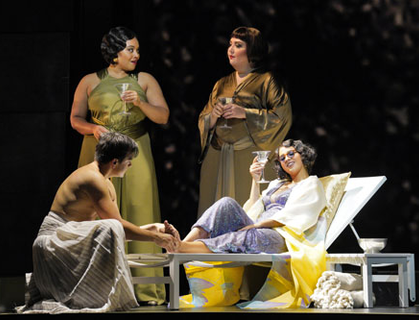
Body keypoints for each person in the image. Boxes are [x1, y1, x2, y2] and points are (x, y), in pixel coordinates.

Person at [17, 132, 179, 314]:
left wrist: (153, 228)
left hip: (71, 240)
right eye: (129, 159)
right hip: (54, 242)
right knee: (111, 226)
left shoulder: (106, 182)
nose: (131, 164)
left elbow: (116, 231)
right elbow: (116, 226)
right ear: (115, 162)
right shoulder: (93, 179)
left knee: (111, 227)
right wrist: (155, 238)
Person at [70, 26, 169, 305]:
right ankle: (96, 286)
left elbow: (162, 116)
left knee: (140, 210)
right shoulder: (89, 81)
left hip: (136, 149)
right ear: (114, 54)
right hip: (99, 150)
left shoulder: (144, 79)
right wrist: (92, 129)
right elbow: (75, 118)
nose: (136, 54)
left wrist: (139, 102)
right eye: (130, 49)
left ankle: (146, 289)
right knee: (96, 214)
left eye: (137, 49)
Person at [165, 139, 328, 308]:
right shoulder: (276, 184)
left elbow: (296, 216)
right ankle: (183, 242)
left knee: (246, 235)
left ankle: (182, 249)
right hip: (260, 226)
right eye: (282, 157)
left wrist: (258, 225)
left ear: (304, 155)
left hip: (281, 235)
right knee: (225, 203)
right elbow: (253, 207)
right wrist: (255, 181)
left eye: (291, 154)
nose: (286, 159)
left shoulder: (311, 184)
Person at [197, 26, 293, 217]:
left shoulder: (267, 80)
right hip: (218, 155)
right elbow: (203, 120)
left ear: (252, 50)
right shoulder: (222, 83)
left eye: (238, 45)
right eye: (230, 44)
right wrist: (214, 116)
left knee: (248, 210)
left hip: (249, 156)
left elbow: (282, 117)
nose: (230, 50)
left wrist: (246, 113)